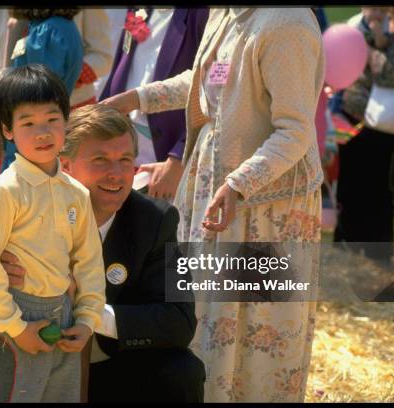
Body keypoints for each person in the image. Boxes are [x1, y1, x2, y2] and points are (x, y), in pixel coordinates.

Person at [102, 8, 324, 402]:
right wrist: (133, 99)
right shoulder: (228, 12)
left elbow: (295, 132)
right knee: (206, 323)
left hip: (262, 209)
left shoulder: (286, 24)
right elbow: (205, 84)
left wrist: (239, 184)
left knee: (255, 340)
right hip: (220, 192)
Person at [0, 104, 205, 402]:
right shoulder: (16, 203)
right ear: (65, 165)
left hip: (109, 375)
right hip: (18, 367)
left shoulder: (154, 219)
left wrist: (85, 315)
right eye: (100, 160)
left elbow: (179, 322)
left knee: (182, 372)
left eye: (125, 160)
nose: (116, 174)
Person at [0, 64, 106, 403]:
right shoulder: (5, 191)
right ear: (7, 130)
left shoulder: (77, 193)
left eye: (51, 120)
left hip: (62, 316)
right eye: (28, 123)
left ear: (67, 121)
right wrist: (15, 326)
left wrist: (87, 320)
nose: (42, 132)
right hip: (9, 319)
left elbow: (89, 263)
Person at [100, 7, 209, 201]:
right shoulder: (140, 9)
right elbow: (120, 64)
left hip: (165, 155)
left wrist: (179, 157)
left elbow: (209, 90)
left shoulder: (201, 13)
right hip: (124, 143)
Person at [333, 6, 394, 264]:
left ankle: (377, 251)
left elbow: (390, 75)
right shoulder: (369, 24)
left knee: (374, 185)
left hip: (381, 124)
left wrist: (370, 47)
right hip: (354, 114)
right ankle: (348, 243)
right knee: (351, 181)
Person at [0, 9, 84, 172]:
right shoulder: (63, 26)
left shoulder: (48, 31)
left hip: (32, 139)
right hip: (46, 132)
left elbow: (39, 95)